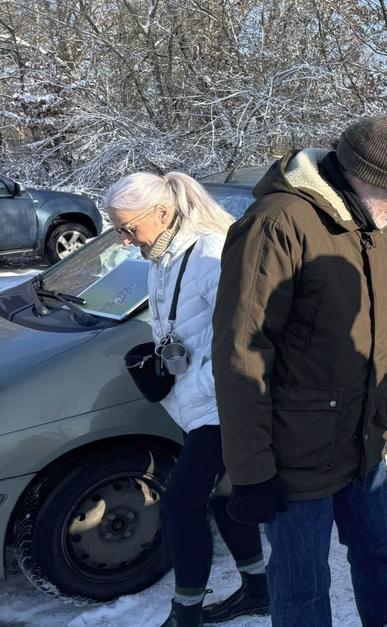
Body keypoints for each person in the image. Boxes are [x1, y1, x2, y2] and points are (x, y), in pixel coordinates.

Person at [213, 115, 387, 627]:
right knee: (301, 582)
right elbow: (241, 353)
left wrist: (384, 412)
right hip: (296, 454)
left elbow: (370, 340)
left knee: (379, 550)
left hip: (364, 437)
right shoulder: (277, 224)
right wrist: (251, 472)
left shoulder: (375, 225)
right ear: (365, 176)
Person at [103, 172, 267, 627]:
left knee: (181, 504)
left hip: (220, 406)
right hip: (194, 403)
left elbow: (245, 340)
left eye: (128, 228)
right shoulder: (163, 254)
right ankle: (258, 588)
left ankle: (186, 612)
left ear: (162, 212)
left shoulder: (212, 254)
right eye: (117, 229)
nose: (124, 239)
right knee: (222, 493)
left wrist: (200, 386)